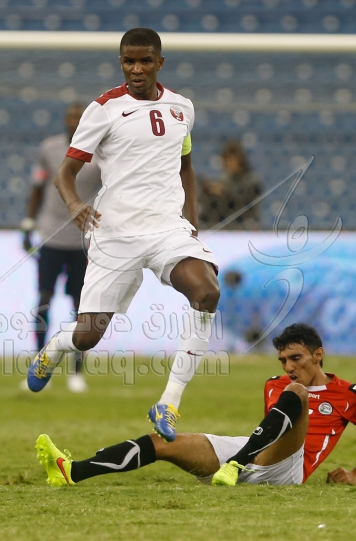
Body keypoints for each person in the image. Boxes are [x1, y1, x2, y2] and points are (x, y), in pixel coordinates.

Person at [27, 28, 221, 443]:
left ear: (159, 63)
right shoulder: (103, 109)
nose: (136, 69)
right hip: (115, 233)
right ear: (121, 63)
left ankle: (169, 403)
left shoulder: (182, 108)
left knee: (207, 293)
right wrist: (75, 205)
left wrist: (192, 222)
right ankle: (57, 346)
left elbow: (185, 166)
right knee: (88, 335)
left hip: (167, 228)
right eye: (129, 61)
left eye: (145, 61)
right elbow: (64, 174)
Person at [34, 323, 356, 487]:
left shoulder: (349, 394)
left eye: (296, 358)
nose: (288, 367)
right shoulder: (275, 385)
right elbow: (272, 427)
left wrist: (355, 473)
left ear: (318, 355)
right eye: (283, 360)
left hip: (289, 470)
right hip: (256, 452)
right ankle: (72, 471)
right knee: (164, 443)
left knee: (297, 394)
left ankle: (235, 465)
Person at [21, 103, 101, 393]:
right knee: (44, 299)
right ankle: (39, 363)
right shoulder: (49, 149)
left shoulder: (101, 152)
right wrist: (28, 223)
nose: (74, 121)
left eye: (79, 117)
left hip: (83, 239)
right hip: (51, 236)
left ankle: (76, 371)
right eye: (70, 116)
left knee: (81, 307)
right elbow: (38, 187)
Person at [200, 140, 262, 231]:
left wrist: (224, 191)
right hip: (227, 225)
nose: (227, 163)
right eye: (225, 159)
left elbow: (244, 203)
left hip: (246, 223)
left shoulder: (252, 179)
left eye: (230, 159)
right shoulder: (225, 178)